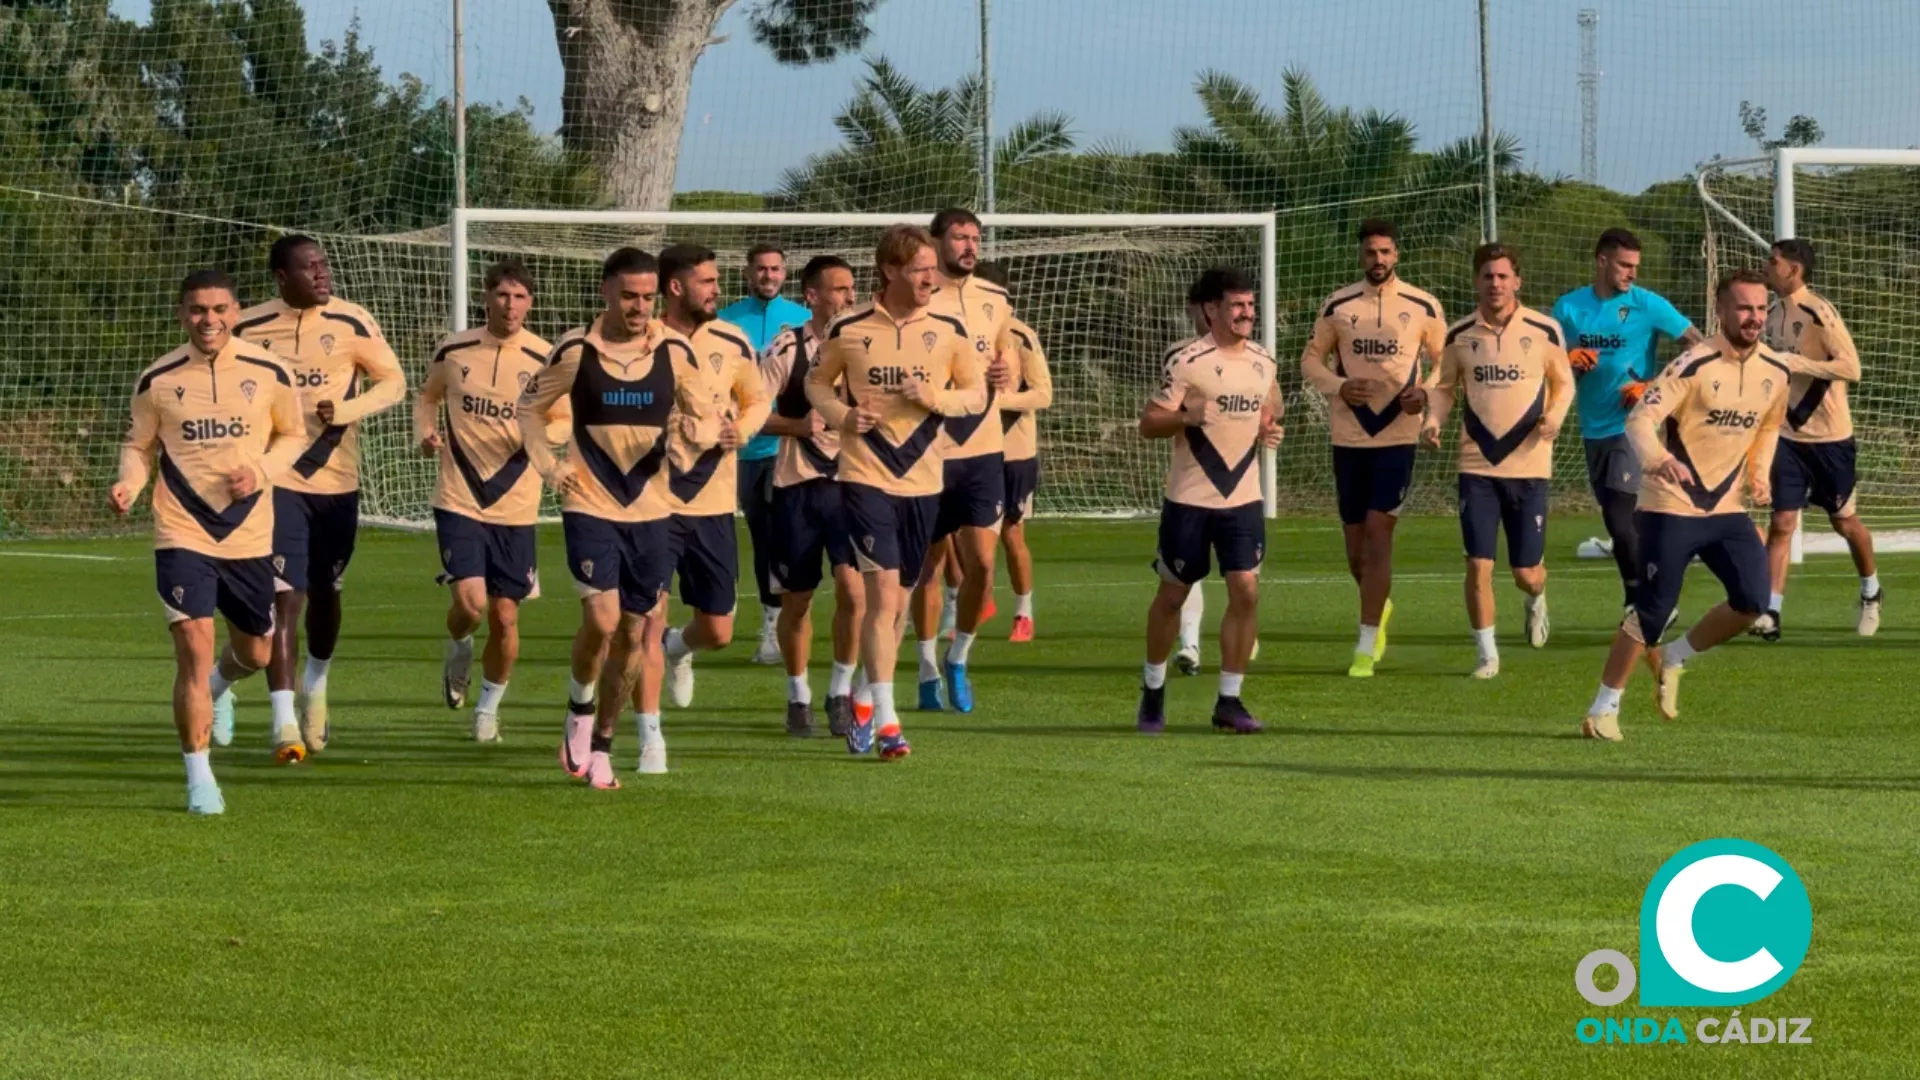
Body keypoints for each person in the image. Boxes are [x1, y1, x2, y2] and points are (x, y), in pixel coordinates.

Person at [112, 269, 310, 813]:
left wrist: (262, 471)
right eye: (198, 310)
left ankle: (222, 687)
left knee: (256, 651)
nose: (209, 320)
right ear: (182, 315)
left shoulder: (270, 371)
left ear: (236, 312)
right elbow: (139, 444)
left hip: (249, 536)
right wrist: (130, 481)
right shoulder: (159, 378)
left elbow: (293, 434)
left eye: (219, 309)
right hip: (182, 531)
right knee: (193, 649)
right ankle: (200, 778)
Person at [1580, 270, 1788, 741]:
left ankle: (1674, 659)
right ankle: (1602, 710)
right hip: (1670, 506)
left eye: (1760, 308)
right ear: (1721, 311)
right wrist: (1657, 459)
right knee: (1652, 611)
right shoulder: (1692, 364)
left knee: (1754, 601)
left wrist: (1758, 472)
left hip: (1727, 507)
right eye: (1743, 308)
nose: (1753, 317)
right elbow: (1639, 419)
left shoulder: (1776, 371)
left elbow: (1770, 427)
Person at [805, 224, 987, 759]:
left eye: (932, 268)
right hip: (863, 477)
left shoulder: (950, 328)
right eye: (920, 269)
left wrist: (933, 396)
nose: (931, 277)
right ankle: (888, 722)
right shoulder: (849, 326)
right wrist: (843, 415)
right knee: (882, 595)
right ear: (890, 271)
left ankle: (863, 697)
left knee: (899, 604)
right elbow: (816, 384)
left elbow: (975, 395)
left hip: (924, 480)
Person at [517, 247, 688, 788]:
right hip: (589, 500)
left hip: (654, 508)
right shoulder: (574, 349)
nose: (640, 307)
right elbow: (529, 410)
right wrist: (548, 464)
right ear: (606, 292)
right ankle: (579, 706)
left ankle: (605, 747)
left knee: (636, 632)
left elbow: (703, 412)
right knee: (602, 622)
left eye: (648, 296)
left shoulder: (674, 349)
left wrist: (702, 436)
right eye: (629, 295)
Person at [232, 234, 405, 760]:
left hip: (337, 484)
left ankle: (317, 684)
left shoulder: (352, 321)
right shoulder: (249, 327)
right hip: (277, 481)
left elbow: (393, 382)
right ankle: (283, 723)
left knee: (325, 592)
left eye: (324, 266)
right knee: (286, 595)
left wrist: (345, 410)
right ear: (283, 278)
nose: (323, 275)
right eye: (311, 269)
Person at [413, 260, 566, 742]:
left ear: (531, 303)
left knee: (505, 616)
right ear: (487, 298)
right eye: (503, 295)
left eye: (520, 297)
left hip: (517, 503)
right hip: (459, 494)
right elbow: (427, 397)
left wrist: (537, 438)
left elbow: (564, 419)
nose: (511, 305)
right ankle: (458, 645)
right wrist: (425, 433)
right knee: (471, 603)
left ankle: (487, 709)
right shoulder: (455, 349)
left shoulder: (547, 357)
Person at [1136, 268, 1282, 734]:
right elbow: (1149, 422)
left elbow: (1270, 404)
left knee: (1246, 589)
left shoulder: (1263, 360)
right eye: (1236, 305)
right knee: (1172, 595)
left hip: (1243, 499)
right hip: (1190, 500)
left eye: (1249, 305)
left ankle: (1229, 701)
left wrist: (1267, 424)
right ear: (1213, 310)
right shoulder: (1187, 360)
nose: (1246, 313)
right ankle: (1153, 690)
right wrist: (1184, 415)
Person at [1300, 220, 1448, 678]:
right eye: (1370, 253)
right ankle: (1376, 606)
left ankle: (1365, 645)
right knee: (1355, 553)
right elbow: (1309, 361)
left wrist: (1424, 394)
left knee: (1380, 535)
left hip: (1397, 437)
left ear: (1397, 255)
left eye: (1385, 252)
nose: (1378, 260)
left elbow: (1447, 365)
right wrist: (1339, 386)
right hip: (1348, 438)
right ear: (1361, 257)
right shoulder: (1338, 305)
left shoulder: (1423, 305)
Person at [1423, 243, 1574, 678]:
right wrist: (1433, 421)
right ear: (1476, 281)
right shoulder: (1460, 335)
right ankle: (1487, 654)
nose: (1495, 284)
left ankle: (1535, 599)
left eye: (1503, 276)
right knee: (1477, 563)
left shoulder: (1545, 330)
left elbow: (1563, 384)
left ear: (1517, 281)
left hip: (1530, 467)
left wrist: (1554, 419)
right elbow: (1445, 387)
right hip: (1477, 467)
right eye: (1487, 276)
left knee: (1526, 571)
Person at [1551, 228, 1702, 626]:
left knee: (1621, 516)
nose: (1632, 273)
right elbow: (1548, 365)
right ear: (1602, 261)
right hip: (1592, 429)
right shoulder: (1568, 308)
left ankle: (1648, 603)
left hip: (1633, 427)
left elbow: (1699, 347)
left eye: (1636, 266)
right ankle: (1639, 598)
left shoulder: (1647, 304)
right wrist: (1568, 358)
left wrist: (1653, 387)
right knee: (1618, 522)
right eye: (1624, 265)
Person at [657, 245, 772, 744]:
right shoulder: (645, 340)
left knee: (720, 632)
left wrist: (742, 430)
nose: (716, 290)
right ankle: (646, 734)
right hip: (652, 502)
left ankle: (678, 649)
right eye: (706, 281)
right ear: (676, 287)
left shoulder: (732, 338)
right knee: (643, 616)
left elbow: (758, 398)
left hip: (714, 503)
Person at [912, 207, 1015, 713]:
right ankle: (926, 666)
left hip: (982, 451)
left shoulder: (996, 299)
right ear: (936, 242)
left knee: (982, 565)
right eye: (959, 237)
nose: (969, 246)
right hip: (927, 452)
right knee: (924, 570)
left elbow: (1007, 366)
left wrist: (1003, 376)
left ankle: (959, 658)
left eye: (975, 238)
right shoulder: (916, 296)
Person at [1752, 238, 1880, 639]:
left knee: (1844, 522)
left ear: (1795, 269)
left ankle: (1871, 592)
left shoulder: (1818, 310)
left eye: (1774, 261)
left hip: (1830, 437)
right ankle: (1771, 613)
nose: (1767, 265)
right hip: (1787, 435)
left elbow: (1851, 368)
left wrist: (1798, 363)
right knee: (1783, 522)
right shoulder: (1771, 314)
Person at [759, 255, 863, 737]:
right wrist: (797, 424)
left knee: (854, 590)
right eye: (837, 289)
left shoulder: (868, 345)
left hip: (853, 484)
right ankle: (797, 696)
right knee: (797, 601)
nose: (847, 296)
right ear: (812, 297)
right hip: (797, 486)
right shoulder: (787, 348)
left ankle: (839, 692)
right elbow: (748, 413)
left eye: (851, 288)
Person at [719, 242, 813, 665]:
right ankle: (744, 619)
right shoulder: (725, 321)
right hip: (734, 449)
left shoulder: (803, 319)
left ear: (785, 272)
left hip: (783, 447)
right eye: (761, 269)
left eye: (775, 269)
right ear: (747, 272)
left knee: (777, 538)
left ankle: (775, 626)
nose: (768, 276)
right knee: (738, 534)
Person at [980, 262, 1053, 643]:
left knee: (1011, 532)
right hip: (971, 450)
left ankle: (1023, 613)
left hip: (1013, 453)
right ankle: (975, 601)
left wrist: (1005, 400)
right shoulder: (957, 333)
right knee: (960, 534)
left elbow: (1043, 393)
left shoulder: (1022, 337)